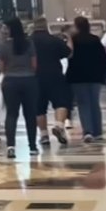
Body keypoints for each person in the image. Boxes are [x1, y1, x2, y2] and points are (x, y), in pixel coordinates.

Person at [66, 16, 106, 143]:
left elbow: (69, 56)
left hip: (78, 76)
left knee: (83, 104)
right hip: (95, 76)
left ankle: (88, 131)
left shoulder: (74, 40)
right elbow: (103, 58)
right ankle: (98, 131)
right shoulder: (95, 40)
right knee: (95, 103)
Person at [0, 17, 38, 157]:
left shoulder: (4, 46)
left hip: (10, 82)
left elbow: (1, 67)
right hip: (29, 81)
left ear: (11, 29)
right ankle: (33, 146)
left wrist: (10, 72)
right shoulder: (29, 44)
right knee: (30, 114)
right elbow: (34, 65)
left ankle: (11, 146)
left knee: (11, 114)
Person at [31, 17, 71, 147]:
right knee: (61, 102)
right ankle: (59, 125)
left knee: (39, 108)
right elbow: (69, 53)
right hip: (54, 75)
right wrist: (69, 39)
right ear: (46, 25)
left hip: (35, 77)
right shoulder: (54, 40)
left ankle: (43, 135)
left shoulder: (28, 42)